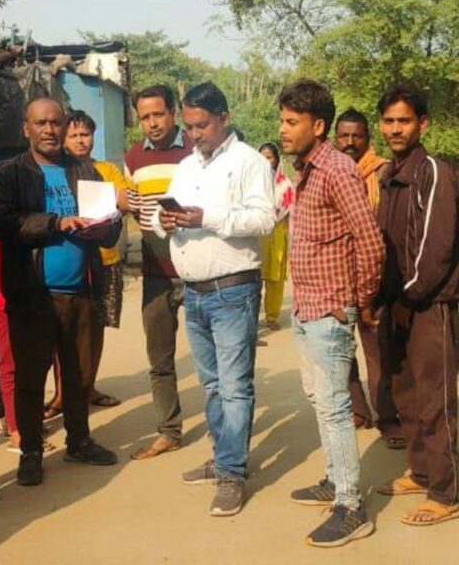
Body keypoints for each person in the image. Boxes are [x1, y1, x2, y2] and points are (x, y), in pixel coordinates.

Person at [152, 82, 275, 516]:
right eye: (188, 127)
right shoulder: (186, 166)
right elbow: (158, 219)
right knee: (212, 385)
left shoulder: (249, 162)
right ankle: (223, 457)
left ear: (224, 118)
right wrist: (165, 221)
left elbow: (265, 219)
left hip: (233, 290)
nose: (193, 135)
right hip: (195, 294)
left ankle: (231, 474)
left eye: (201, 126)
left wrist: (210, 217)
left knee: (235, 387)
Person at [0, 97, 121, 488]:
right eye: (40, 123)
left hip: (80, 291)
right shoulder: (10, 174)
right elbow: (2, 223)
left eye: (55, 122)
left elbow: (109, 223)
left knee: (79, 374)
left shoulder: (84, 169)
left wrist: (106, 228)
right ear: (26, 128)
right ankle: (31, 450)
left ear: (64, 126)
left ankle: (79, 440)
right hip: (32, 295)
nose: (49, 130)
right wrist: (57, 223)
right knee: (31, 377)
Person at [279, 79, 384, 547]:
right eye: (282, 120)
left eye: (292, 122)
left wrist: (357, 301)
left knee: (336, 406)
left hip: (330, 312)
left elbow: (371, 242)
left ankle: (351, 507)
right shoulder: (306, 170)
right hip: (307, 307)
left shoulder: (338, 170)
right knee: (320, 398)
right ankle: (333, 479)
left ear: (318, 125)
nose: (283, 129)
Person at [373, 84, 459, 527]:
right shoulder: (389, 174)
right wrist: (380, 298)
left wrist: (409, 297)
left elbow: (436, 247)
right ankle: (421, 472)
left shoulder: (433, 173)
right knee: (405, 395)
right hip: (397, 304)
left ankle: (445, 493)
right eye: (389, 121)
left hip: (428, 305)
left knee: (434, 399)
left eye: (404, 121)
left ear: (422, 124)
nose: (396, 129)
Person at [40, 109, 124, 417]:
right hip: (71, 264)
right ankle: (62, 393)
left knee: (95, 329)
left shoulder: (106, 170)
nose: (80, 140)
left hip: (105, 261)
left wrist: (111, 210)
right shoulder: (56, 171)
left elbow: (123, 203)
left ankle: (89, 387)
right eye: (73, 135)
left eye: (85, 134)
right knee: (62, 334)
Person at [124, 84, 192, 460]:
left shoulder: (196, 149)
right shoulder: (133, 158)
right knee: (160, 360)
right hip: (155, 273)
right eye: (144, 117)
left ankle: (226, 435)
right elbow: (136, 211)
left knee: (213, 359)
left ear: (173, 113)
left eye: (158, 114)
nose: (152, 123)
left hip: (197, 271)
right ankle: (169, 431)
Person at [333, 109, 403, 446]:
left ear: (367, 139)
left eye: (356, 136)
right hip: (336, 277)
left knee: (379, 354)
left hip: (374, 277)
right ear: (334, 138)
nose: (350, 142)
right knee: (339, 352)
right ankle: (357, 410)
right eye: (343, 136)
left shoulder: (384, 173)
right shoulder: (329, 172)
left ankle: (388, 419)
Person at [258, 142, 293, 330]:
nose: (265, 161)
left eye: (269, 157)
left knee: (275, 279)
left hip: (277, 232)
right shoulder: (251, 183)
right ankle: (251, 319)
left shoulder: (285, 184)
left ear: (276, 160)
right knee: (253, 279)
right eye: (261, 157)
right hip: (256, 234)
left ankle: (272, 317)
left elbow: (287, 214)